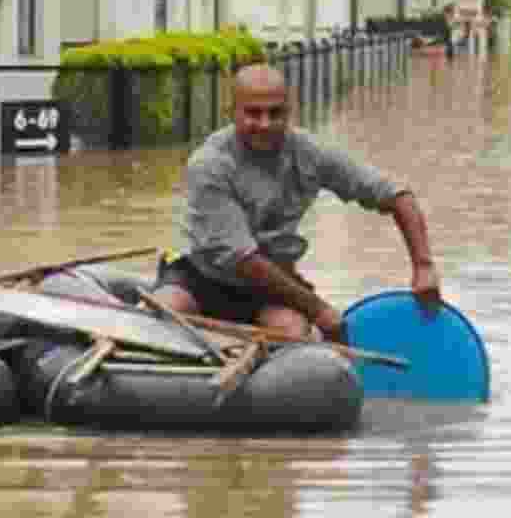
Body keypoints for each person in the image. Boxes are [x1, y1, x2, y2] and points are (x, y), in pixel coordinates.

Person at [152, 63, 442, 342]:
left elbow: (397, 196)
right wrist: (319, 309)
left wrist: (424, 266)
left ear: (290, 112)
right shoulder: (210, 164)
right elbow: (244, 260)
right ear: (232, 113)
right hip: (203, 276)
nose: (265, 124)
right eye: (253, 113)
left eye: (275, 113)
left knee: (292, 332)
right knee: (164, 311)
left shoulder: (309, 152)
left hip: (269, 286)